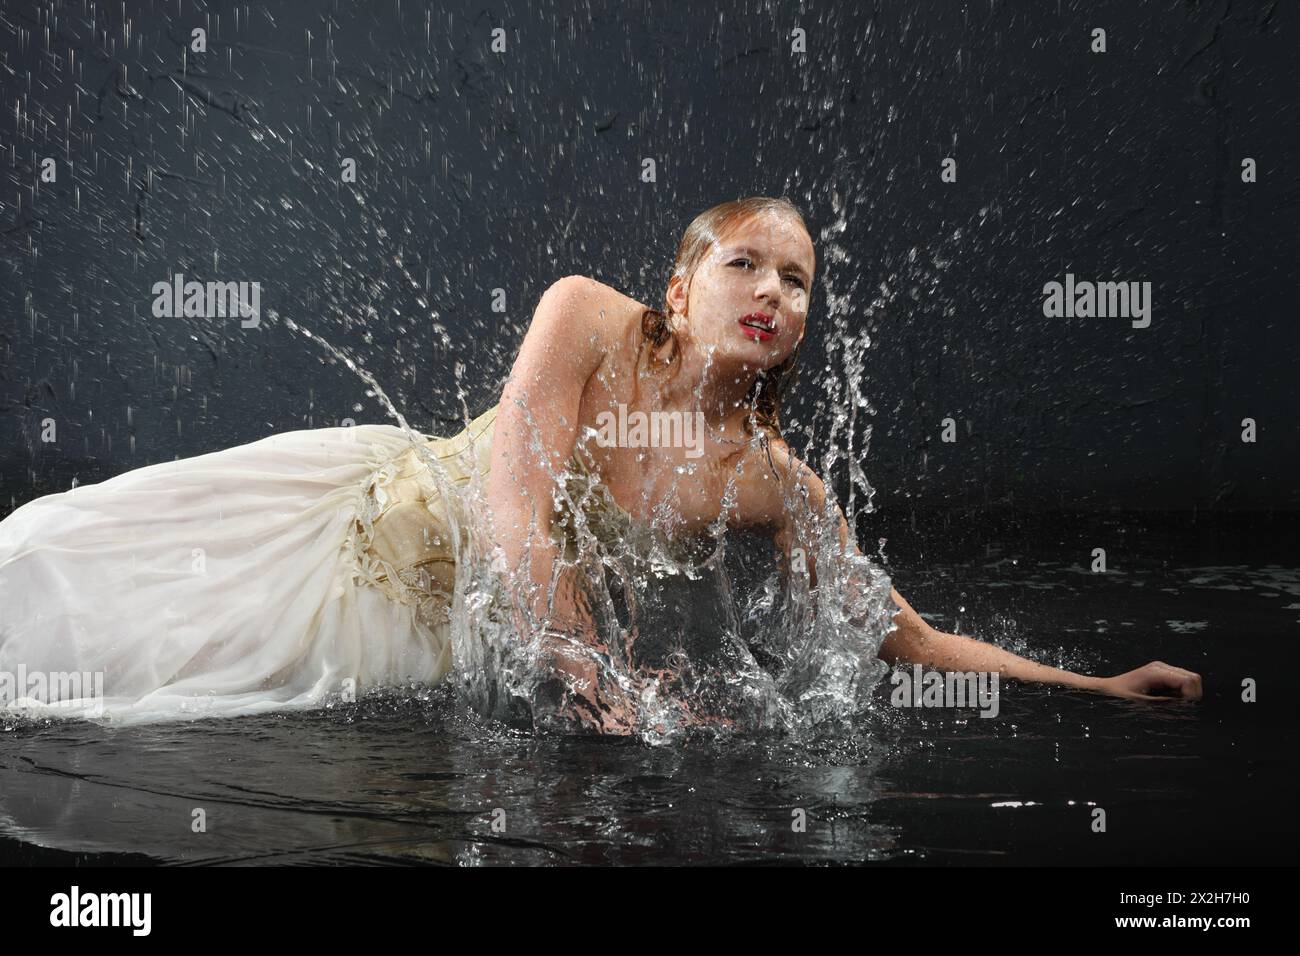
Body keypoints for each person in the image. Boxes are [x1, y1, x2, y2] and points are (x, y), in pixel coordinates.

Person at [0, 196, 1202, 731]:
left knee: (146, 696)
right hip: (356, 515)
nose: (773, 292)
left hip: (422, 636)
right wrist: (595, 676)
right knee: (54, 568)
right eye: (746, 264)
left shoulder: (777, 480)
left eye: (796, 280)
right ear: (682, 283)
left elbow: (903, 634)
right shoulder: (583, 316)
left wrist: (1092, 687)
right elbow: (517, 508)